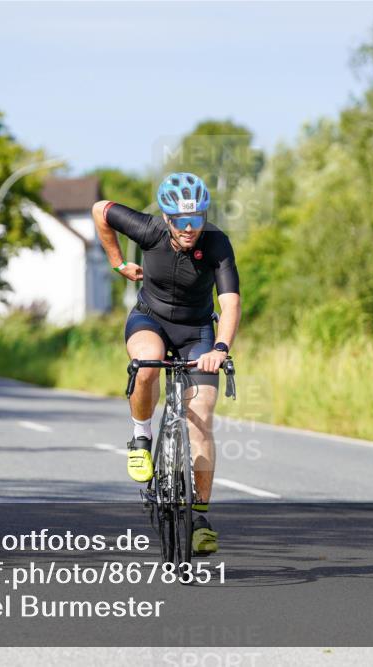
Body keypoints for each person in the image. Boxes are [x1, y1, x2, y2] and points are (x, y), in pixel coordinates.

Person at [92, 172, 241, 555]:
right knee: (147, 363)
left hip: (197, 334)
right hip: (150, 319)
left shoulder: (217, 243)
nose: (190, 228)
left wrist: (220, 348)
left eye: (197, 219)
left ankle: (201, 518)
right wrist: (118, 262)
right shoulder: (149, 230)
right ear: (167, 218)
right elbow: (100, 210)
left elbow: (230, 303)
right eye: (181, 220)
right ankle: (141, 437)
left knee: (202, 415)